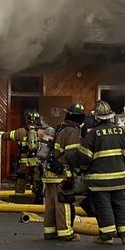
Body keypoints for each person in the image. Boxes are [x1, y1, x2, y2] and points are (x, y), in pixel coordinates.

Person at [73, 100, 125, 244]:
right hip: (119, 178)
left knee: (104, 206)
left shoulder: (93, 134)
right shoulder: (121, 131)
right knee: (120, 205)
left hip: (99, 180)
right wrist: (120, 164)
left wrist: (81, 171)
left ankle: (106, 236)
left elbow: (84, 158)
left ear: (97, 118)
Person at [42, 101, 85, 242]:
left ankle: (50, 231)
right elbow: (72, 154)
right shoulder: (72, 131)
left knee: (51, 204)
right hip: (62, 174)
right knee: (63, 203)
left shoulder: (59, 128)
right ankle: (66, 232)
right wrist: (78, 169)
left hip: (49, 172)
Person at [6, 109, 45, 203]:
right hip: (37, 162)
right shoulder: (42, 133)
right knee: (37, 180)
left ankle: (18, 199)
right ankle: (37, 199)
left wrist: (1, 134)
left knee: (21, 179)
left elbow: (7, 136)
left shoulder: (20, 131)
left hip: (24, 162)